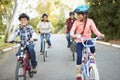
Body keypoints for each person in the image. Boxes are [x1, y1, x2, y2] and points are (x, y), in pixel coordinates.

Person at [70, 5, 104, 79]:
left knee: (92, 47)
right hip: (79, 41)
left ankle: (92, 60)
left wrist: (100, 35)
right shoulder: (76, 22)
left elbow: (95, 30)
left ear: (85, 14)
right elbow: (72, 31)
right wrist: (73, 35)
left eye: (79, 14)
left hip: (87, 39)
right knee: (79, 55)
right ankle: (78, 72)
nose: (78, 16)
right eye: (77, 14)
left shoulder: (90, 21)